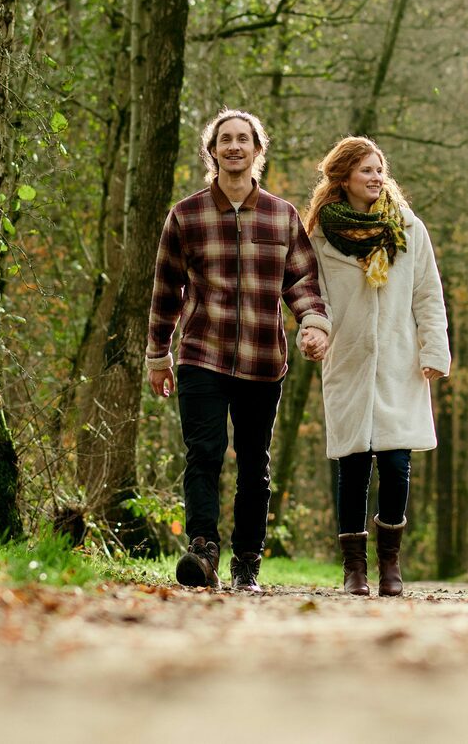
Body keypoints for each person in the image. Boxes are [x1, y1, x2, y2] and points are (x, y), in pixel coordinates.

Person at [146, 108, 331, 592]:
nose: (233, 147)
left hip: (262, 359)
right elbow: (167, 291)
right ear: (212, 152)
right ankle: (203, 549)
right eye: (224, 139)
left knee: (254, 462)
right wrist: (157, 354)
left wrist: (313, 323)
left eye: (242, 139)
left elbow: (303, 280)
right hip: (201, 353)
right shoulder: (185, 216)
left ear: (257, 150)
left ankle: (247, 560)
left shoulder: (282, 215)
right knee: (203, 453)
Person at [303, 136, 450, 597]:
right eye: (365, 170)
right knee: (352, 465)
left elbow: (428, 293)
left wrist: (433, 351)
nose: (375, 177)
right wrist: (316, 330)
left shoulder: (407, 228)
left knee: (396, 462)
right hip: (348, 358)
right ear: (343, 177)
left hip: (399, 360)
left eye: (379, 169)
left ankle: (390, 564)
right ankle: (354, 570)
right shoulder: (321, 236)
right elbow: (316, 297)